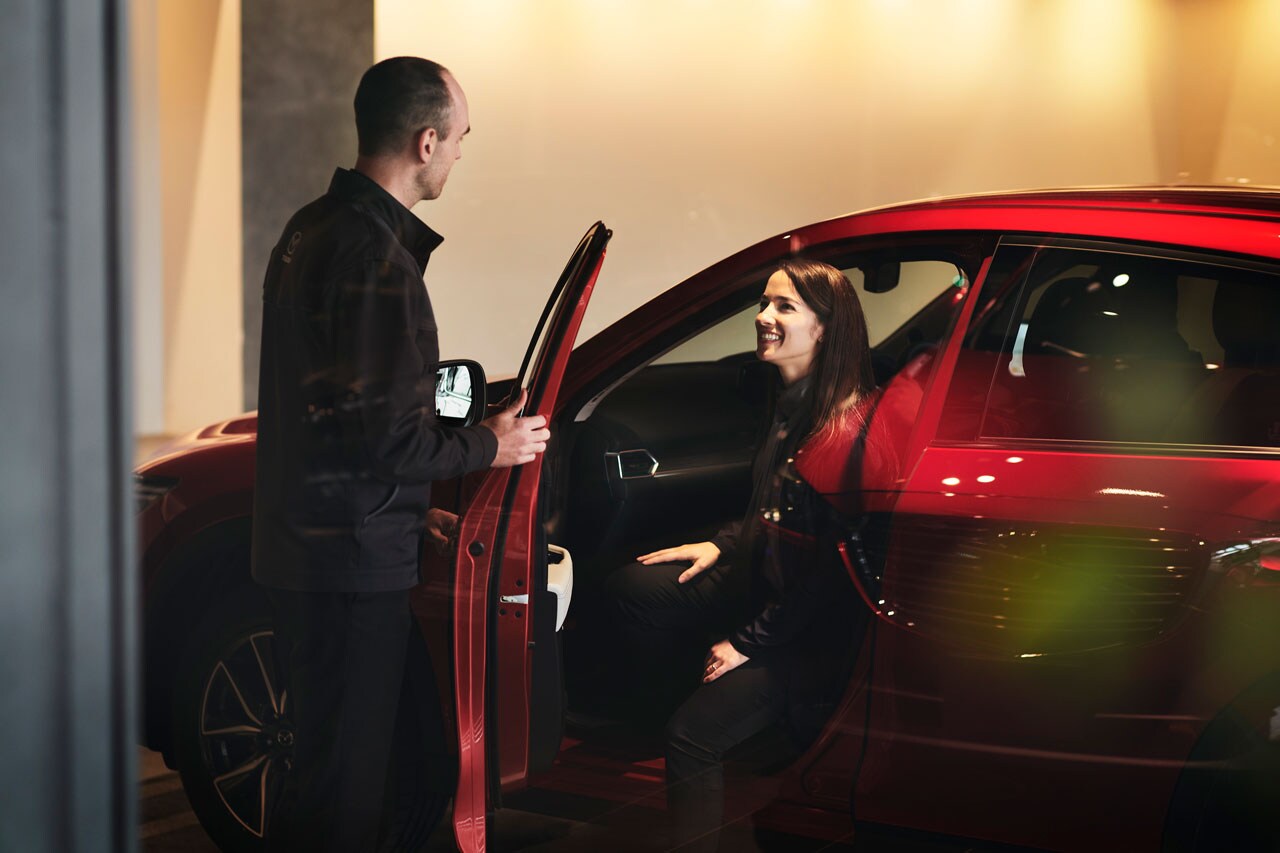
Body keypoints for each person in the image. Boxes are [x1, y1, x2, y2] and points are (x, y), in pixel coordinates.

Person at [250, 57, 548, 852]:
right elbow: (386, 437)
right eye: (459, 138)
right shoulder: (378, 261)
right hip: (349, 569)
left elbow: (337, 423)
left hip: (309, 550)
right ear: (425, 141)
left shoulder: (309, 229)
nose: (459, 154)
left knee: (322, 773)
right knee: (345, 792)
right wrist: (495, 442)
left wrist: (415, 518)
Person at [608, 259, 888, 851]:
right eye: (765, 303)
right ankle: (680, 714)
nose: (763, 317)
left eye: (785, 307)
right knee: (632, 590)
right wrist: (720, 543)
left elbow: (829, 578)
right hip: (766, 581)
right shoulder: (792, 402)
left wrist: (746, 643)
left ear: (825, 328)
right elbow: (773, 514)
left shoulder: (842, 431)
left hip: (810, 631)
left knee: (692, 736)